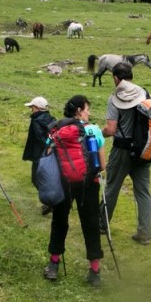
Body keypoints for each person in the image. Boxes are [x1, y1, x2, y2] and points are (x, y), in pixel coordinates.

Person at [43, 95, 106, 287]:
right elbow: (102, 164)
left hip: (63, 182)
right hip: (89, 184)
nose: (89, 113)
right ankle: (94, 271)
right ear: (79, 110)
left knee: (60, 221)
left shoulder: (56, 129)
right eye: (87, 109)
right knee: (91, 224)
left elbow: (47, 154)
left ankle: (54, 264)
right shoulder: (94, 129)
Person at [101, 62, 151, 245]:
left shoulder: (114, 98)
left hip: (122, 150)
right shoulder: (145, 93)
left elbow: (110, 129)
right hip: (143, 150)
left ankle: (101, 224)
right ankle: (144, 233)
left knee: (112, 187)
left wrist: (97, 134)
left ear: (116, 78)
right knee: (143, 192)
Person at [22, 96, 56, 215]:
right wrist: (50, 146)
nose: (31, 110)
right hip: (51, 154)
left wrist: (46, 145)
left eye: (32, 107)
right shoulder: (52, 119)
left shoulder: (36, 121)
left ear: (37, 108)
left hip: (39, 155)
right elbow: (51, 137)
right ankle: (52, 200)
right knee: (47, 178)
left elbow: (41, 138)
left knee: (36, 179)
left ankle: (50, 202)